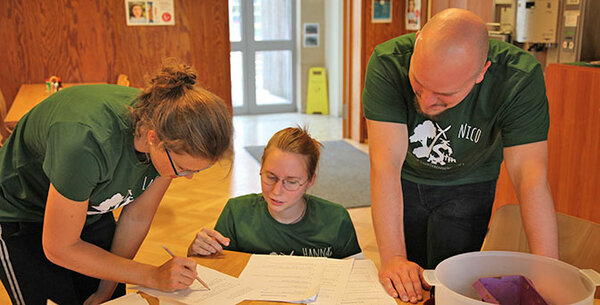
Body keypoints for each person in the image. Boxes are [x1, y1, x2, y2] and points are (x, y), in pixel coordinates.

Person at [362, 8, 559, 303]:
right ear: (417, 44)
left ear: (481, 73)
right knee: (406, 287)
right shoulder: (388, 62)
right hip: (404, 177)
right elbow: (385, 164)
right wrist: (392, 259)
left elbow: (530, 177)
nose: (426, 101)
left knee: (452, 285)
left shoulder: (519, 78)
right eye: (418, 83)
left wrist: (548, 272)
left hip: (471, 181)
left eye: (444, 94)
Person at [0, 58, 233, 305]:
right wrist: (151, 275)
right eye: (184, 169)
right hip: (20, 213)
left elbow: (137, 217)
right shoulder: (86, 142)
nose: (186, 177)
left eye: (196, 171)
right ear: (154, 139)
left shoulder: (167, 128)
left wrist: (106, 290)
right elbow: (59, 247)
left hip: (88, 207)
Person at [187, 127, 362, 259]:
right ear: (261, 169)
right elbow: (216, 271)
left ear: (310, 181)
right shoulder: (236, 213)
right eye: (270, 177)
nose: (277, 191)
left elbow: (355, 278)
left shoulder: (336, 219)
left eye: (291, 182)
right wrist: (197, 251)